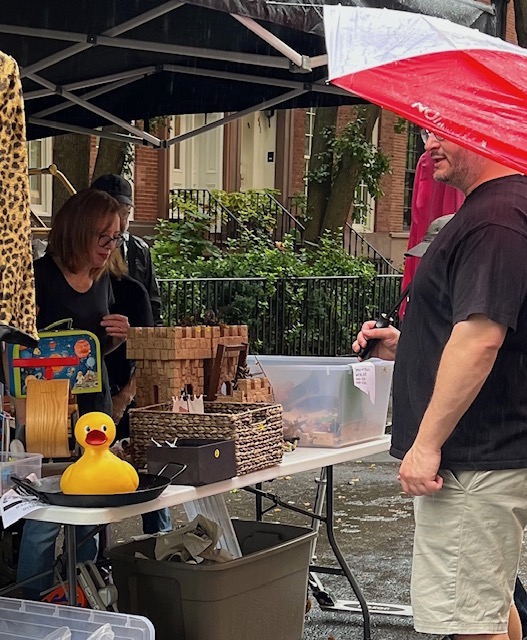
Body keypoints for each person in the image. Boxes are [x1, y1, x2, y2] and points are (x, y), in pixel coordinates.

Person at [353, 128, 527, 640]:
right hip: (481, 456)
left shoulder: (495, 219)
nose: (429, 142)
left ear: (483, 125)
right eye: (428, 128)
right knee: (487, 608)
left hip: (471, 459)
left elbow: (480, 341)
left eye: (446, 128)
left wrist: (426, 445)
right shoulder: (496, 211)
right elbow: (469, 335)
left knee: (470, 621)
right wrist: (404, 347)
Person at [16, 189, 130, 599]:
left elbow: (91, 351)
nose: (110, 246)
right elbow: (14, 348)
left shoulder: (103, 282)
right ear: (78, 231)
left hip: (91, 410)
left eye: (116, 237)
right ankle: (31, 606)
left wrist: (117, 338)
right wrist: (23, 410)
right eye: (103, 236)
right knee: (44, 516)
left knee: (89, 510)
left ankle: (80, 598)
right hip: (45, 413)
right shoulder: (37, 278)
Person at [90, 174, 162, 326]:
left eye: (125, 213)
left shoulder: (139, 249)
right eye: (113, 213)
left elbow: (153, 301)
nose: (121, 222)